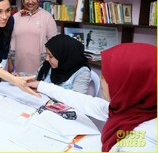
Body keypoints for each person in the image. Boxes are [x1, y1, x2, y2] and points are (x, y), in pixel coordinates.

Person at [25, 43, 157, 151]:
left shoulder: (142, 143)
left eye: (106, 77)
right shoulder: (131, 110)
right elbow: (83, 101)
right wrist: (41, 85)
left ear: (128, 85)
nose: (100, 78)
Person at [8, 0, 57, 74]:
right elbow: (10, 41)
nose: (30, 2)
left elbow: (54, 43)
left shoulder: (47, 17)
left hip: (41, 63)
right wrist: (9, 61)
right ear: (23, 0)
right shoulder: (14, 17)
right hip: (18, 63)